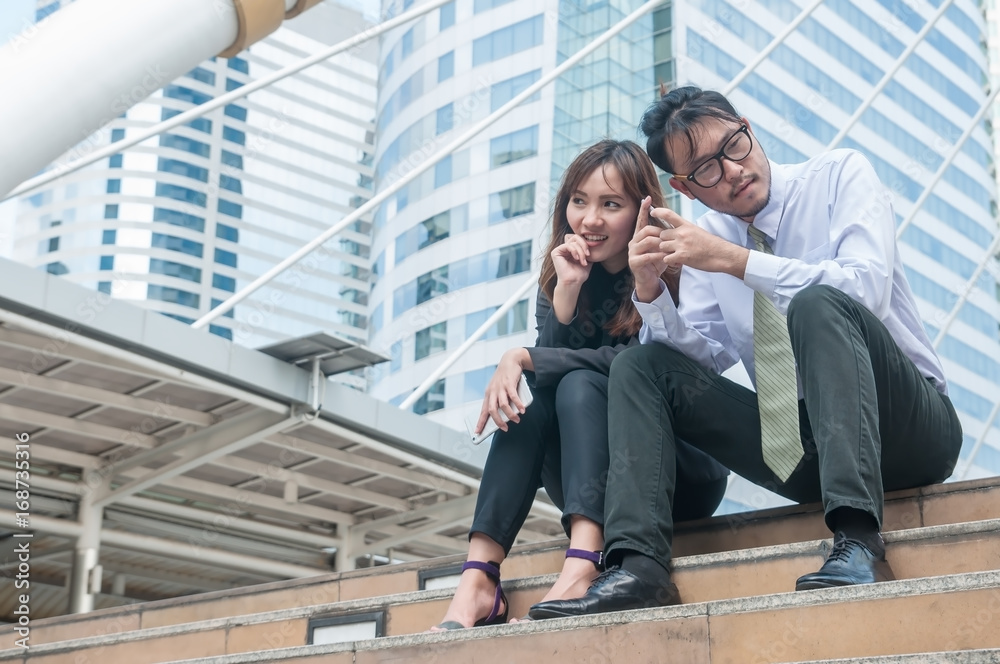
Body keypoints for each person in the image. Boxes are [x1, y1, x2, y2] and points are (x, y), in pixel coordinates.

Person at [528, 86, 963, 620]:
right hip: (805, 454)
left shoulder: (839, 176)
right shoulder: (705, 239)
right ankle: (639, 567)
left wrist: (735, 261)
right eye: (706, 170)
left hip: (912, 428)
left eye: (734, 145)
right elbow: (697, 361)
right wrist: (650, 293)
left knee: (818, 304)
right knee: (641, 363)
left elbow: (863, 291)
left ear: (749, 128)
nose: (732, 170)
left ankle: (858, 542)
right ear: (686, 189)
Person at [430, 139, 730, 630]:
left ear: (641, 211)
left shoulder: (672, 269)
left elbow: (639, 364)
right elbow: (548, 369)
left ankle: (583, 562)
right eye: (579, 201)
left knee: (576, 385)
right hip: (597, 482)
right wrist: (567, 290)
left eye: (610, 205)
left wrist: (522, 356)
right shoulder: (562, 270)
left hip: (675, 474)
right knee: (535, 405)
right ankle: (479, 577)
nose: (589, 219)